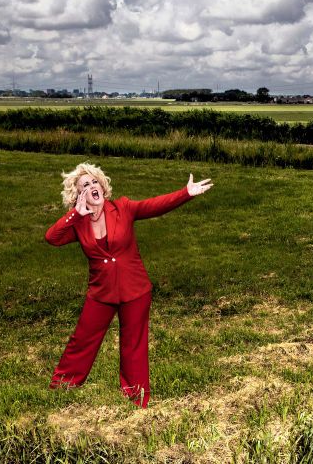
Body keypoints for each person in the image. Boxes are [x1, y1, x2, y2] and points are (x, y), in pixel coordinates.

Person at [45, 162, 212, 407]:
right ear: (78, 195)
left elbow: (154, 205)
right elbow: (52, 237)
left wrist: (186, 193)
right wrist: (76, 214)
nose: (92, 186)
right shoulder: (78, 223)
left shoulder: (122, 208)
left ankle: (136, 397)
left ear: (102, 186)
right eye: (85, 185)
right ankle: (62, 387)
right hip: (101, 292)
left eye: (95, 181)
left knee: (133, 345)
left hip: (135, 289)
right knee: (82, 340)